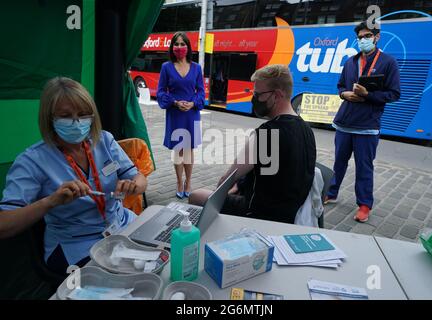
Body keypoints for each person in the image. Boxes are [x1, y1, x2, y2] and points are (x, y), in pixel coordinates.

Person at [0, 77, 147, 275]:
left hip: (121, 224)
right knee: (127, 277)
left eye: (84, 114)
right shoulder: (32, 161)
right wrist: (50, 202)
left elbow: (139, 178)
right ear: (49, 119)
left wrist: (134, 185)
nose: (77, 122)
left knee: (161, 251)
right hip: (77, 245)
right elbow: (4, 225)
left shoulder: (104, 140)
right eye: (66, 116)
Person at [189, 64, 316, 224]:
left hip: (259, 213)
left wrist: (230, 187)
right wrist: (240, 185)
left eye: (258, 94)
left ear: (277, 95)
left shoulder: (268, 132)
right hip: (289, 211)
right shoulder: (305, 128)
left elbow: (225, 182)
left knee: (196, 195)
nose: (254, 99)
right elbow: (270, 173)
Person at [325, 21, 400, 222]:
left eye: (367, 36)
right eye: (360, 37)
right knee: (338, 162)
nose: (363, 40)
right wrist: (344, 94)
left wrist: (368, 94)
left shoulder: (388, 62)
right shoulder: (350, 61)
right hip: (344, 123)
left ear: (377, 37)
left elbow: (394, 94)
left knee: (364, 167)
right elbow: (340, 86)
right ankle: (331, 193)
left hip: (367, 126)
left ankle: (364, 205)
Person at [157, 31, 205, 199]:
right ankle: (179, 181)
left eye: (182, 44)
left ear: (188, 46)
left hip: (191, 114)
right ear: (172, 47)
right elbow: (161, 91)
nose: (179, 47)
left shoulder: (197, 68)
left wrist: (192, 103)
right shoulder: (166, 67)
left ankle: (189, 182)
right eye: (176, 44)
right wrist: (175, 102)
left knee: (189, 149)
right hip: (175, 113)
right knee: (178, 149)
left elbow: (201, 91)